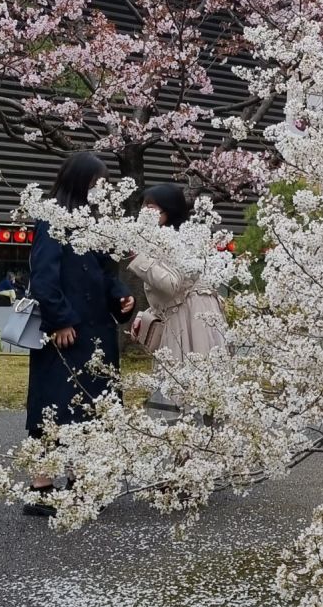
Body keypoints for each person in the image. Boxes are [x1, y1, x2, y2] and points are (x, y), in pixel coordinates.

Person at [24, 151, 134, 510]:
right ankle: (41, 487)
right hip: (67, 331)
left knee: (92, 405)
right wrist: (60, 320)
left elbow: (105, 272)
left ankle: (80, 481)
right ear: (81, 182)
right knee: (53, 405)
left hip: (96, 329)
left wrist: (121, 298)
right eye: (96, 183)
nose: (101, 190)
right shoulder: (50, 219)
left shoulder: (94, 222)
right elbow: (43, 277)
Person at [129, 184, 227, 398]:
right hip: (178, 313)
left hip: (192, 316)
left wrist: (139, 258)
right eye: (143, 207)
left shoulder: (186, 238)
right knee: (177, 381)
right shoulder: (159, 238)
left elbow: (172, 284)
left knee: (195, 380)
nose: (145, 213)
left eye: (152, 208)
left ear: (169, 210)